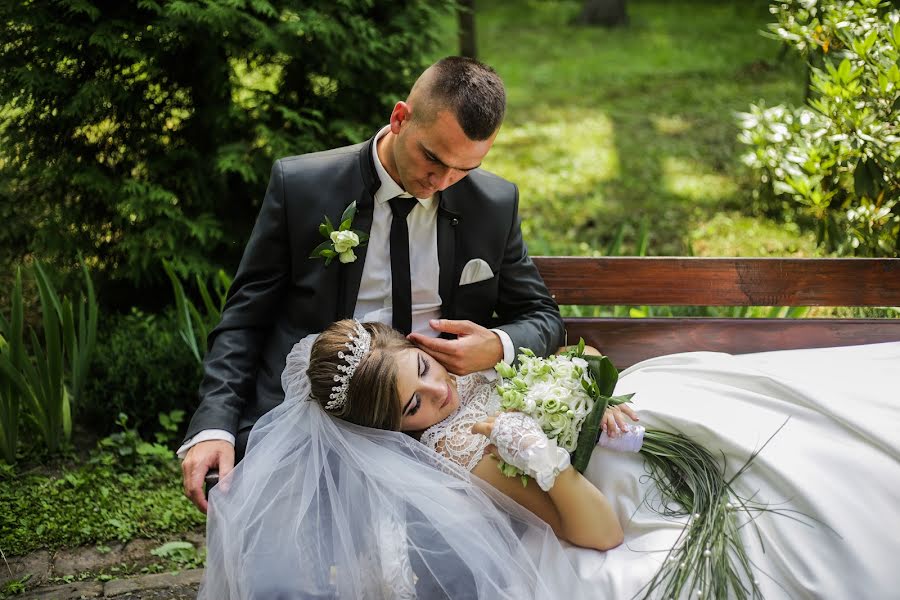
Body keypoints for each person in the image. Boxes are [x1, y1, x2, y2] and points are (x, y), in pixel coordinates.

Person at [201, 320, 900, 599]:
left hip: (642, 414)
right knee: (813, 478)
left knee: (787, 407)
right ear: (398, 430)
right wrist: (538, 451)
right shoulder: (463, 446)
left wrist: (590, 387)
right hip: (625, 492)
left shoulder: (458, 365)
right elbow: (598, 534)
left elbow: (566, 359)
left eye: (424, 367)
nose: (440, 390)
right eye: (417, 404)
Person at [179, 56, 565, 512]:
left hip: (433, 411)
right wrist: (213, 426)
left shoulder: (492, 203)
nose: (440, 182)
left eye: (464, 169)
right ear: (400, 118)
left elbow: (543, 318)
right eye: (434, 159)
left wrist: (496, 345)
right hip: (317, 413)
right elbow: (245, 319)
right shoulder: (303, 187)